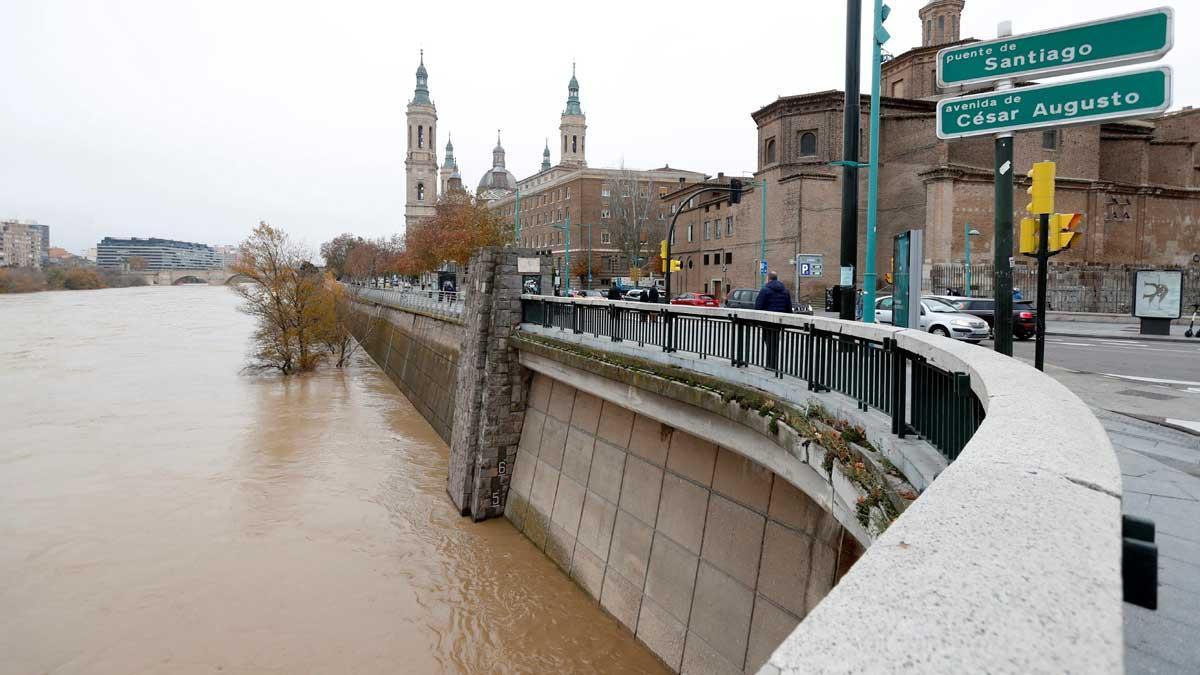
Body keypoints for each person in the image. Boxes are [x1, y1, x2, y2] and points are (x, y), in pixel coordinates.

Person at [754, 271, 792, 369]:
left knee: (768, 341)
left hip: (767, 321)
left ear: (768, 278)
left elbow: (758, 306)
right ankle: (773, 364)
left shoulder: (765, 290)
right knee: (774, 342)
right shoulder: (785, 291)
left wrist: (758, 321)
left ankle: (769, 364)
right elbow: (788, 308)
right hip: (779, 322)